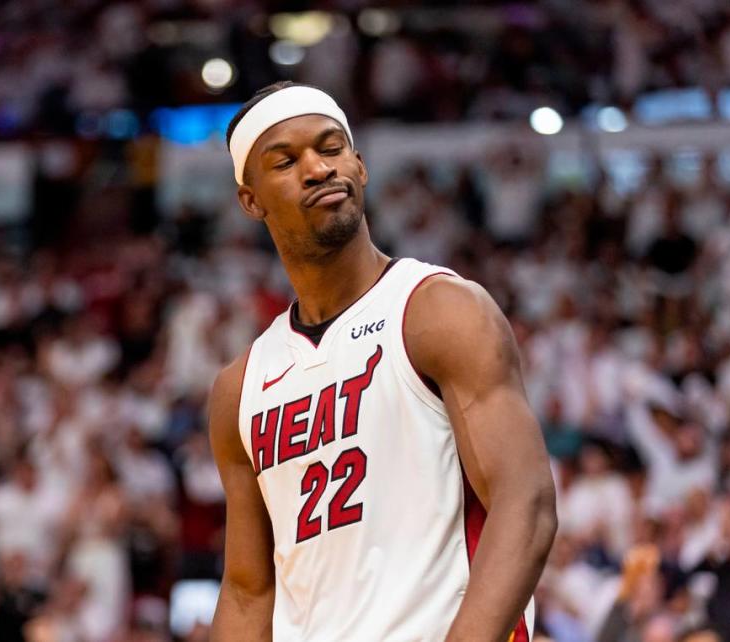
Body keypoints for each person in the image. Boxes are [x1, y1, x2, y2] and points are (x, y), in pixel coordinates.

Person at [208, 81, 557, 641]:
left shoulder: (437, 311)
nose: (318, 168)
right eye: (286, 160)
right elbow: (249, 591)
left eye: (330, 147)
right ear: (251, 200)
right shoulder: (240, 387)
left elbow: (527, 503)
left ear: (360, 166)